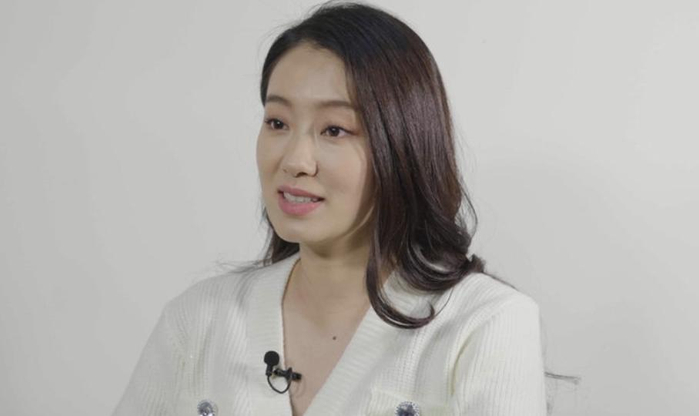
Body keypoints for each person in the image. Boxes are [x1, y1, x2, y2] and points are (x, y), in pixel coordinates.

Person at [113, 1, 547, 415]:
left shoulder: (484, 324)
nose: (295, 161)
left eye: (335, 130)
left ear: (403, 146)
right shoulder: (199, 320)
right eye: (277, 123)